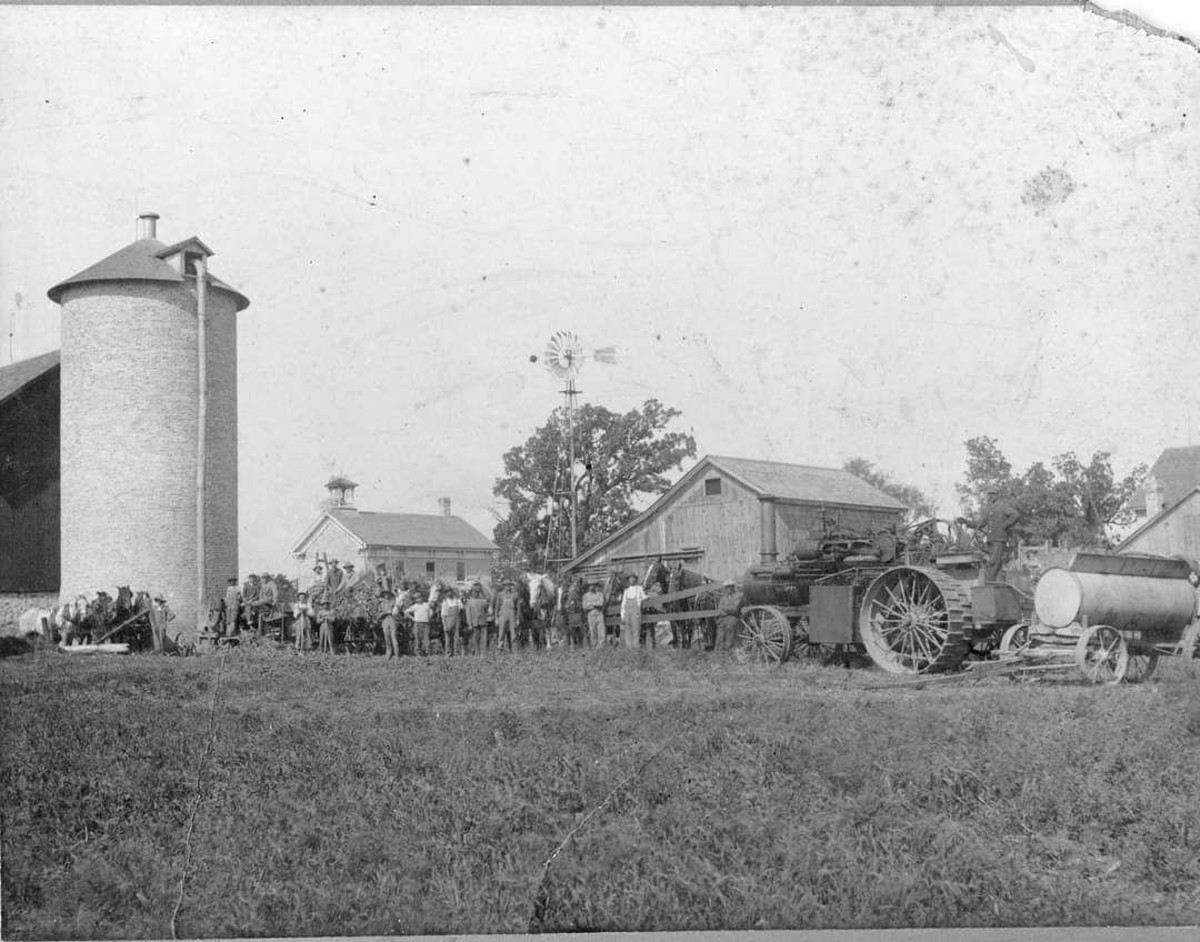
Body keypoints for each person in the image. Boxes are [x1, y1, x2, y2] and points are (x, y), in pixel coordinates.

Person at [957, 488, 1021, 583]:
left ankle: (988, 584)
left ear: (997, 495)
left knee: (992, 563)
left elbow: (1016, 514)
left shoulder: (1003, 506)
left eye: (993, 494)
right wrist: (965, 521)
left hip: (999, 539)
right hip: (991, 539)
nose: (991, 496)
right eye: (989, 494)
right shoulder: (989, 509)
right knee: (997, 564)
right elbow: (980, 524)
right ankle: (998, 585)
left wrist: (1005, 525)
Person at [715, 579, 745, 653]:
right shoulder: (723, 597)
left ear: (733, 587)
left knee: (730, 628)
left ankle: (730, 649)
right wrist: (726, 610)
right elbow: (720, 609)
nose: (728, 589)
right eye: (727, 587)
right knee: (720, 632)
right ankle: (720, 650)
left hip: (733, 617)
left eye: (730, 587)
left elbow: (735, 609)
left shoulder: (738, 596)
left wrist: (725, 610)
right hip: (723, 617)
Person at [493, 581, 520, 652]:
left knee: (513, 631)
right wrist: (496, 617)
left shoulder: (515, 595)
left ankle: (514, 650)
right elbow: (497, 607)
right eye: (506, 585)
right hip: (502, 613)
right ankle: (500, 649)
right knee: (501, 631)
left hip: (512, 613)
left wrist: (517, 618)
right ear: (504, 586)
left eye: (509, 585)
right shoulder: (500, 594)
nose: (508, 586)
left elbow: (518, 606)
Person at [620, 574, 646, 649]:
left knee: (636, 628)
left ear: (636, 580)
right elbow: (623, 603)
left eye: (633, 578)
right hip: (627, 612)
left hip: (636, 611)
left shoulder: (639, 588)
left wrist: (648, 597)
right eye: (630, 579)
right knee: (627, 629)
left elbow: (644, 597)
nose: (632, 580)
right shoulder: (626, 591)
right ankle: (629, 646)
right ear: (628, 580)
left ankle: (636, 645)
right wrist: (622, 615)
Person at [464, 584, 490, 655]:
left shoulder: (483, 601)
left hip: (483, 622)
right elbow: (468, 614)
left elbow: (487, 607)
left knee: (484, 639)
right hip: (474, 623)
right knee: (475, 639)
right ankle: (477, 653)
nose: (475, 593)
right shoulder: (469, 602)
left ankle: (483, 653)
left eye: (477, 592)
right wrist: (469, 624)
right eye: (474, 592)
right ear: (471, 592)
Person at [582, 581, 607, 648]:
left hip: (599, 613)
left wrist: (591, 604)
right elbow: (584, 606)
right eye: (590, 585)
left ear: (595, 586)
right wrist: (595, 604)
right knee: (592, 630)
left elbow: (600, 603)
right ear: (588, 587)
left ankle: (601, 644)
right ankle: (594, 644)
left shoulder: (599, 594)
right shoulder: (585, 596)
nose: (592, 587)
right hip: (590, 614)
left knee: (601, 629)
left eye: (593, 585)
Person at [440, 588, 463, 656]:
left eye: (450, 592)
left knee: (457, 638)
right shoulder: (445, 602)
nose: (449, 594)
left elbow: (461, 610)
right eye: (447, 593)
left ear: (452, 592)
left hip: (456, 620)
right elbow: (443, 615)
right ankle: (448, 653)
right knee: (448, 639)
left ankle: (456, 653)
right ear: (446, 594)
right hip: (448, 620)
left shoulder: (457, 601)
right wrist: (444, 625)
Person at [380, 591, 400, 660]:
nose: (384, 599)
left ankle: (396, 654)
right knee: (386, 638)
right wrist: (385, 613)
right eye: (384, 597)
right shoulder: (381, 605)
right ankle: (388, 653)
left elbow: (396, 612)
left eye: (386, 597)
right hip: (385, 621)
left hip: (392, 620)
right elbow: (379, 615)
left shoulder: (393, 603)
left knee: (394, 637)